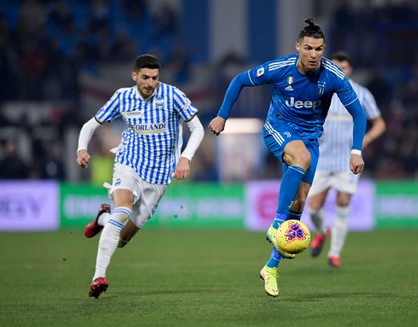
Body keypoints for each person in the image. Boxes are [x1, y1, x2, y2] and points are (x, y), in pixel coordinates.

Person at [208, 18, 367, 297]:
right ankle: (277, 224)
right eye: (308, 48)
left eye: (319, 49)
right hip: (278, 127)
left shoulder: (332, 75)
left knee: (301, 202)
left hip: (310, 138)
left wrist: (356, 151)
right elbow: (239, 80)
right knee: (301, 159)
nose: (314, 54)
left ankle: (271, 267)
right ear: (298, 47)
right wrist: (223, 114)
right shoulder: (281, 68)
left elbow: (359, 113)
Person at [76, 54, 204, 299]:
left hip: (159, 176)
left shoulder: (173, 95)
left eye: (155, 78)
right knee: (122, 210)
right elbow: (90, 125)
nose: (150, 82)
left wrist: (185, 157)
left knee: (123, 238)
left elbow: (197, 128)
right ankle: (98, 276)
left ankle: (103, 219)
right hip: (129, 162)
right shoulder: (122, 97)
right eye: (145, 77)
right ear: (134, 76)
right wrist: (82, 148)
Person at [307, 51, 386, 268]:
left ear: (350, 70)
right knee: (313, 208)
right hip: (321, 159)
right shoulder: (319, 91)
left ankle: (334, 253)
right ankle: (323, 231)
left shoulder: (361, 94)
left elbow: (379, 123)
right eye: (336, 67)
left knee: (343, 201)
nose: (340, 71)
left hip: (346, 161)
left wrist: (366, 139)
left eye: (344, 68)